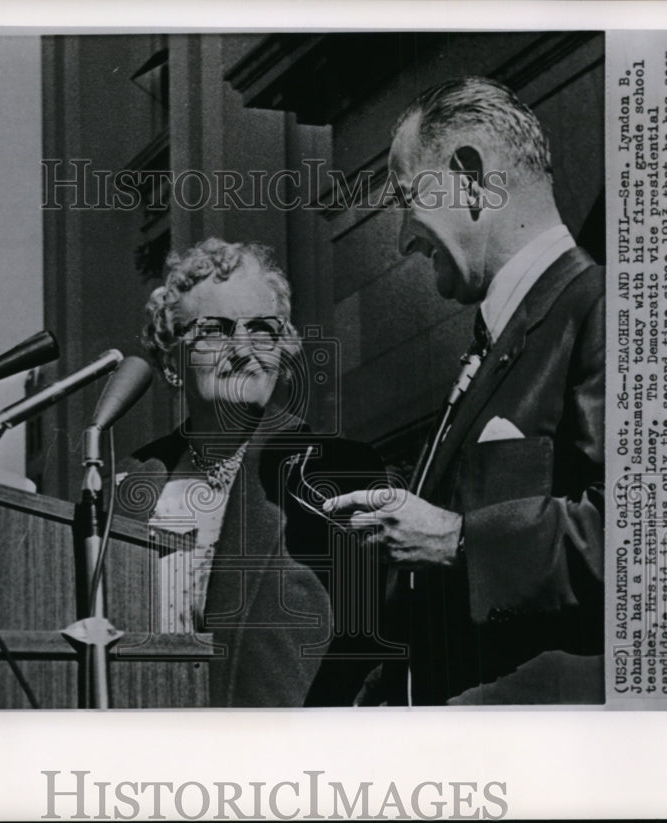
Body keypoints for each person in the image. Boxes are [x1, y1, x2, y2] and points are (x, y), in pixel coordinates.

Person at [324, 76, 605, 705]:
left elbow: (646, 540)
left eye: (405, 197)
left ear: (470, 179)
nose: (403, 239)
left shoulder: (606, 308)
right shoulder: (499, 337)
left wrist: (457, 539)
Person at [113, 238, 384, 707]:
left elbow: (369, 653)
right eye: (215, 331)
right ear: (173, 362)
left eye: (261, 329)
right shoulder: (129, 483)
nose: (243, 349)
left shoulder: (337, 471)